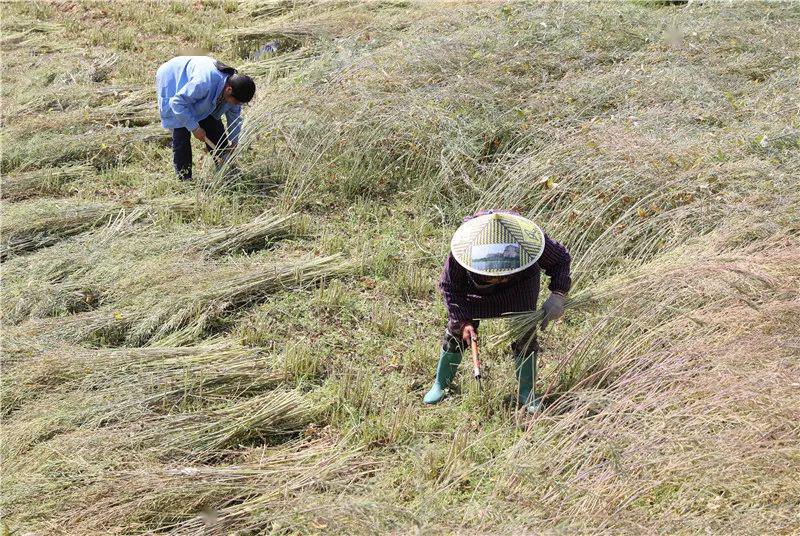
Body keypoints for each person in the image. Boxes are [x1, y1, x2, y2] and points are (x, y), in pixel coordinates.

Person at [423, 210, 572, 412]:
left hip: (520, 291)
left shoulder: (526, 239)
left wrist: (558, 294)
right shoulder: (464, 247)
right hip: (473, 294)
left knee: (525, 335)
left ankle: (526, 392)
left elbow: (560, 259)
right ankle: (441, 383)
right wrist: (464, 321)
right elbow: (450, 287)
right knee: (456, 331)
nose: (498, 279)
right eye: (490, 276)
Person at [156, 56, 255, 181]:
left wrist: (234, 141)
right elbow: (177, 103)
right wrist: (195, 128)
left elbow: (234, 116)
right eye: (236, 102)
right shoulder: (203, 82)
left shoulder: (235, 90)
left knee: (211, 122)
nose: (236, 105)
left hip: (196, 88)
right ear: (229, 89)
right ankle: (184, 178)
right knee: (181, 131)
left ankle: (224, 166)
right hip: (173, 77)